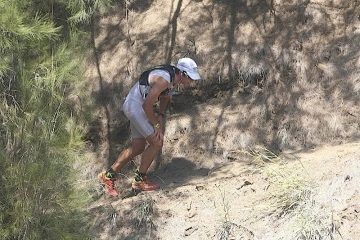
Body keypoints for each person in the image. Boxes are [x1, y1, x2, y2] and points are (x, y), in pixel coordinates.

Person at [98, 57, 201, 196]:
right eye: (191, 78)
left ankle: (108, 176)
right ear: (182, 73)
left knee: (138, 147)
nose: (192, 82)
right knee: (157, 143)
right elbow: (147, 105)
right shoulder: (165, 79)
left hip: (137, 106)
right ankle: (139, 180)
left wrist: (161, 114)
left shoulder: (173, 78)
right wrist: (157, 125)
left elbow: (165, 97)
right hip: (135, 106)